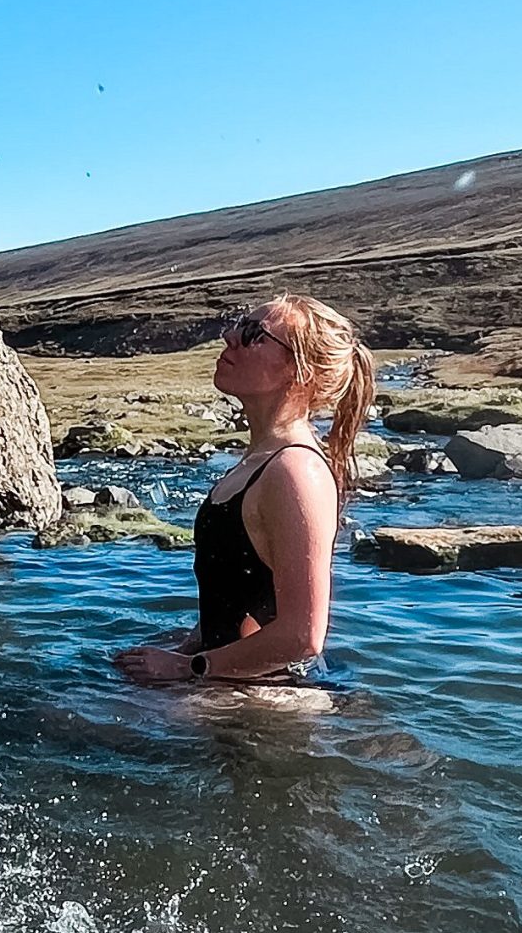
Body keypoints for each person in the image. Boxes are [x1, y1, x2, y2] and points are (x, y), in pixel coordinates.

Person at [116, 294, 376, 686]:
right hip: (233, 685)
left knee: (54, 721)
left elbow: (302, 638)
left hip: (269, 702)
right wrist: (187, 646)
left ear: (300, 372)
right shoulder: (257, 462)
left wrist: (187, 667)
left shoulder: (295, 471)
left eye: (254, 334)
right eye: (238, 324)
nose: (228, 337)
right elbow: (239, 595)